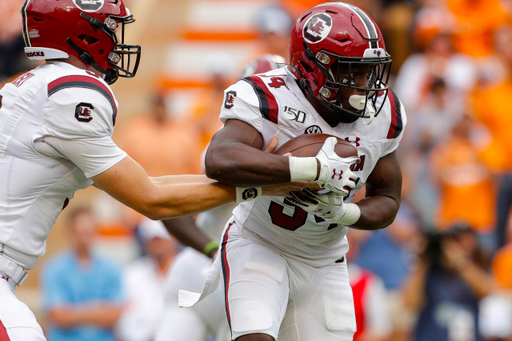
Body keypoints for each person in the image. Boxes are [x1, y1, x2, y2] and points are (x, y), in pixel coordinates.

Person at [0, 1, 351, 340]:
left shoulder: (37, 85)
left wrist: (272, 177)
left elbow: (151, 185)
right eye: (109, 28)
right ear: (82, 34)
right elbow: (153, 200)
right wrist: (275, 180)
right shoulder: (71, 94)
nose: (117, 39)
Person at [180, 3, 406, 341]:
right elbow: (220, 158)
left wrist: (346, 212)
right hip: (260, 240)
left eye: (369, 71)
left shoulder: (384, 114)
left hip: (324, 257)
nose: (364, 84)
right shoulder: (270, 95)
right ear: (314, 69)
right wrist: (309, 169)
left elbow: (387, 198)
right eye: (351, 71)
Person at [155, 54, 286, 341]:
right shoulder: (225, 151)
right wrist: (215, 250)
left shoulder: (308, 147)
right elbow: (171, 210)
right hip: (211, 273)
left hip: (254, 278)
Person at [40, 207, 124, 341]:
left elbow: (115, 315)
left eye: (88, 231)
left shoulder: (112, 268)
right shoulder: (54, 268)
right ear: (70, 232)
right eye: (80, 232)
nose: (84, 237)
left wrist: (73, 314)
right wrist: (98, 311)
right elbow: (58, 316)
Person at [401, 224, 493, 341]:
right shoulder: (427, 273)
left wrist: (459, 261)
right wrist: (423, 260)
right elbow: (409, 303)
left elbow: (487, 291)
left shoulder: (470, 270)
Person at [116, 219, 178, 341]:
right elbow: (127, 320)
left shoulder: (187, 271)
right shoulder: (132, 273)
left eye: (160, 239)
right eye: (152, 240)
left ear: (172, 240)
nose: (157, 244)